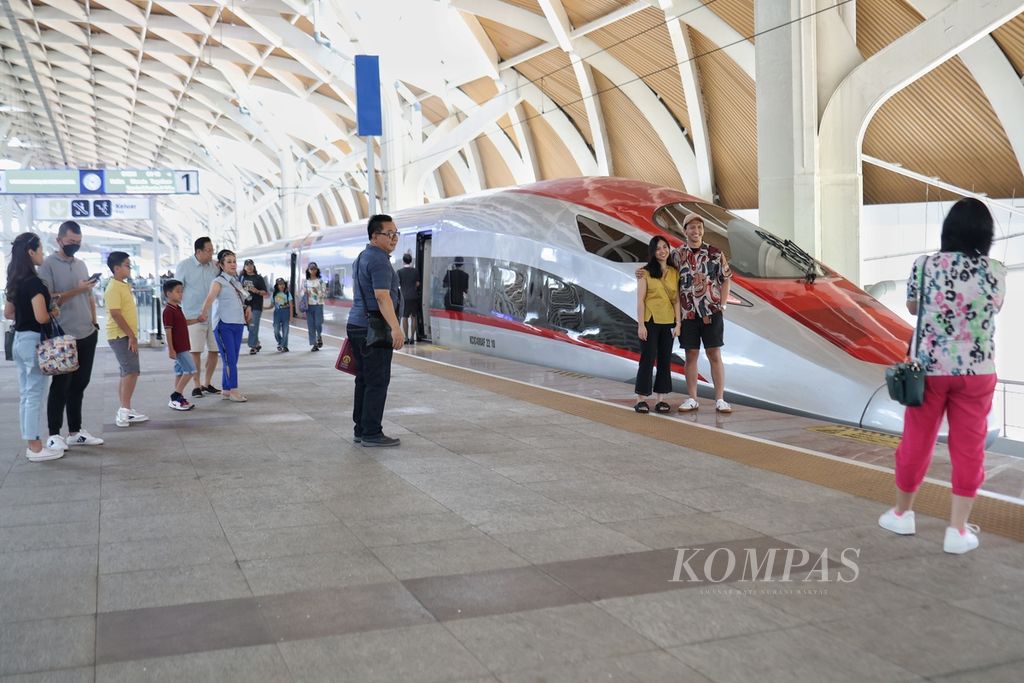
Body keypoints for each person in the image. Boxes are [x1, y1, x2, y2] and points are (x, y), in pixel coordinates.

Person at [878, 198, 1007, 555]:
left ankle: (902, 513)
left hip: (930, 369)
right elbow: (993, 306)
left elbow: (913, 307)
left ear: (947, 230)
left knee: (917, 441)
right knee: (968, 449)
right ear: (986, 234)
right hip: (977, 370)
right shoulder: (995, 270)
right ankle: (958, 530)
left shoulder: (925, 266)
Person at [37, 220, 103, 449]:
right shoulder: (47, 265)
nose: (75, 245)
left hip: (86, 331)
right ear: (59, 240)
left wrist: (94, 322)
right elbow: (48, 300)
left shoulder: (81, 264)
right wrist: (78, 289)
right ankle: (54, 433)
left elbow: (88, 296)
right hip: (63, 335)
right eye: (71, 241)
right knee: (61, 385)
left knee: (80, 385)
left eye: (78, 241)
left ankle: (75, 431)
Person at [5, 232, 63, 461]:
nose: (43, 254)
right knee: (34, 395)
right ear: (31, 252)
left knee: (26, 394)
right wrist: (54, 311)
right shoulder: (35, 282)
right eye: (40, 249)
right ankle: (35, 447)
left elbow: (8, 313)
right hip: (34, 341)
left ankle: (32, 442)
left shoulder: (15, 280)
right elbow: (41, 317)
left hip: (19, 340)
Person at [347, 214, 404, 447]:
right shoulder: (380, 260)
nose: (394, 238)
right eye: (388, 234)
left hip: (357, 325)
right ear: (374, 236)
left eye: (395, 233)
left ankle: (361, 428)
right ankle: (371, 432)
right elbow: (382, 296)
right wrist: (396, 328)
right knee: (377, 380)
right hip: (375, 327)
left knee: (364, 379)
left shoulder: (362, 257)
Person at [671, 213, 732, 413]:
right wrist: (642, 273)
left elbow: (726, 279)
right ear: (685, 230)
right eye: (692, 227)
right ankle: (692, 398)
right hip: (688, 313)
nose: (696, 231)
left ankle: (720, 399)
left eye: (699, 227)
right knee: (691, 354)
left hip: (712, 312)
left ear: (703, 230)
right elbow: (665, 275)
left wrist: (722, 305)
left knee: (714, 353)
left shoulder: (715, 253)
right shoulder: (677, 255)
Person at [634, 236, 681, 414]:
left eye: (665, 247)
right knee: (647, 358)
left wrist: (678, 324)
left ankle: (661, 399)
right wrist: (641, 325)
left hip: (668, 321)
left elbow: (676, 301)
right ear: (653, 252)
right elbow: (640, 301)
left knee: (665, 360)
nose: (662, 251)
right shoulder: (644, 272)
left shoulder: (674, 272)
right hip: (650, 320)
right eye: (658, 248)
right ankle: (641, 399)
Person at [199, 249, 250, 402]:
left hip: (237, 323)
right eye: (229, 262)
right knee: (229, 359)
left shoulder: (236, 281)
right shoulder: (218, 282)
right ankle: (234, 390)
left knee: (232, 359)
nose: (233, 264)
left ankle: (226, 389)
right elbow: (209, 299)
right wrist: (203, 313)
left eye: (234, 261)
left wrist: (248, 309)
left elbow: (242, 300)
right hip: (224, 324)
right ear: (221, 265)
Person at [105, 251, 148, 428]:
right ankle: (124, 411)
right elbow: (115, 314)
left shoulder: (123, 285)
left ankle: (126, 409)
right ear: (116, 268)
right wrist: (131, 335)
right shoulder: (113, 287)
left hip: (124, 334)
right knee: (131, 371)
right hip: (120, 335)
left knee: (127, 371)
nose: (130, 268)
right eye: (127, 265)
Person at [175, 237, 220, 398]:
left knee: (214, 350)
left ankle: (207, 383)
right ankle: (196, 385)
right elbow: (176, 289)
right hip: (193, 316)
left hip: (213, 315)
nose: (211, 253)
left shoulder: (214, 267)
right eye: (209, 250)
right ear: (198, 251)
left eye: (212, 250)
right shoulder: (184, 266)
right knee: (196, 351)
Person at [161, 279, 197, 411]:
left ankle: (178, 398)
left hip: (183, 346)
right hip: (179, 348)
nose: (181, 294)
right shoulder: (168, 311)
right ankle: (175, 396)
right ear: (168, 293)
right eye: (177, 291)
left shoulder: (177, 309)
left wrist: (197, 320)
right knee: (191, 370)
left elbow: (183, 323)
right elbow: (168, 331)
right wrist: (171, 349)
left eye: (181, 291)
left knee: (179, 372)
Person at [240, 259, 268, 355]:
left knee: (253, 326)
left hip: (256, 305)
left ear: (254, 266)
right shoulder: (241, 277)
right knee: (249, 326)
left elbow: (265, 292)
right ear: (244, 267)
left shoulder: (258, 278)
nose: (249, 266)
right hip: (245, 305)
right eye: (247, 265)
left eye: (251, 264)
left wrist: (257, 291)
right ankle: (256, 343)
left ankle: (252, 346)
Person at [302, 262, 326, 351]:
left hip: (318, 305)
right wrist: (304, 293)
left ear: (317, 270)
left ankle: (319, 336)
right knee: (311, 325)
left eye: (314, 269)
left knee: (318, 323)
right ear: (308, 270)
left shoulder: (321, 281)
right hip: (308, 306)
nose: (313, 270)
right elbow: (301, 293)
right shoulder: (305, 282)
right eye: (311, 269)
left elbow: (324, 294)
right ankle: (314, 344)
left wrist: (317, 291)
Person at [397, 252, 420, 344]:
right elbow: (418, 283)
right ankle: (412, 338)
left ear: (403, 261)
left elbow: (398, 284)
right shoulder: (415, 271)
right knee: (414, 317)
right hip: (414, 296)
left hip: (404, 297)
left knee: (405, 317)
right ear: (411, 261)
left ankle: (406, 337)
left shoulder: (400, 272)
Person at [271, 277, 292, 352]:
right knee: (276, 330)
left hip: (286, 312)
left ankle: (284, 346)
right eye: (279, 284)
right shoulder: (274, 294)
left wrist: (291, 316)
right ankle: (280, 342)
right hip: (277, 313)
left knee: (285, 330)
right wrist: (264, 307)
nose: (281, 286)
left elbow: (291, 305)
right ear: (277, 286)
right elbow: (272, 305)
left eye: (283, 284)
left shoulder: (287, 293)